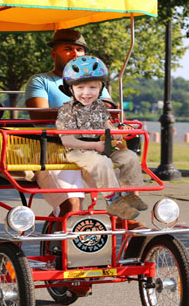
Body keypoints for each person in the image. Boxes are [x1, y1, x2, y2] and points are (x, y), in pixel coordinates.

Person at [24, 29, 115, 218]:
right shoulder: (41, 81)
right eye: (68, 49)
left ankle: (135, 237)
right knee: (72, 206)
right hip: (52, 153)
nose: (75, 54)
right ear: (53, 53)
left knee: (123, 198)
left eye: (79, 50)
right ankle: (57, 245)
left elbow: (110, 109)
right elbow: (39, 115)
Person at [55, 56, 147, 220]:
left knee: (130, 157)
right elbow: (67, 140)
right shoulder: (66, 111)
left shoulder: (99, 108)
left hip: (99, 147)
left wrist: (117, 133)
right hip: (77, 150)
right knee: (102, 163)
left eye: (92, 88)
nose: (86, 93)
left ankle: (130, 194)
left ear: (100, 89)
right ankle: (113, 201)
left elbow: (107, 128)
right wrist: (96, 145)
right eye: (80, 87)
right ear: (70, 90)